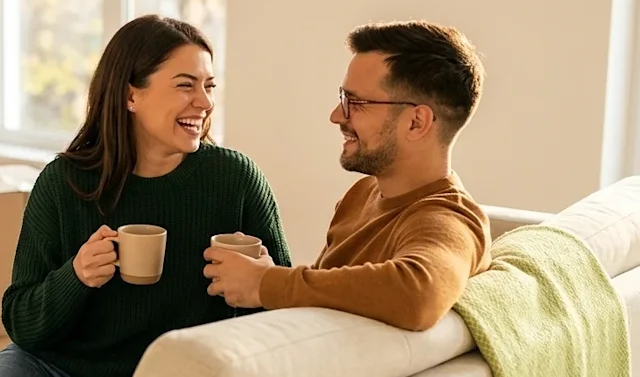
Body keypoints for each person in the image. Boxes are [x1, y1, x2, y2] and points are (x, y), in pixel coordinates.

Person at [0, 14, 292, 377]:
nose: (204, 103)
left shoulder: (235, 181)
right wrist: (76, 277)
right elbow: (21, 322)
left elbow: (285, 323)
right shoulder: (63, 182)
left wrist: (262, 283)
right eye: (185, 85)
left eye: (209, 86)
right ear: (132, 95)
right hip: (46, 369)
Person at [203, 19, 491, 331]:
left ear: (416, 122)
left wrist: (267, 283)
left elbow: (420, 294)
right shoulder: (362, 194)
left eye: (356, 103)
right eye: (343, 98)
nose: (336, 115)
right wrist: (268, 276)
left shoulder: (447, 219)